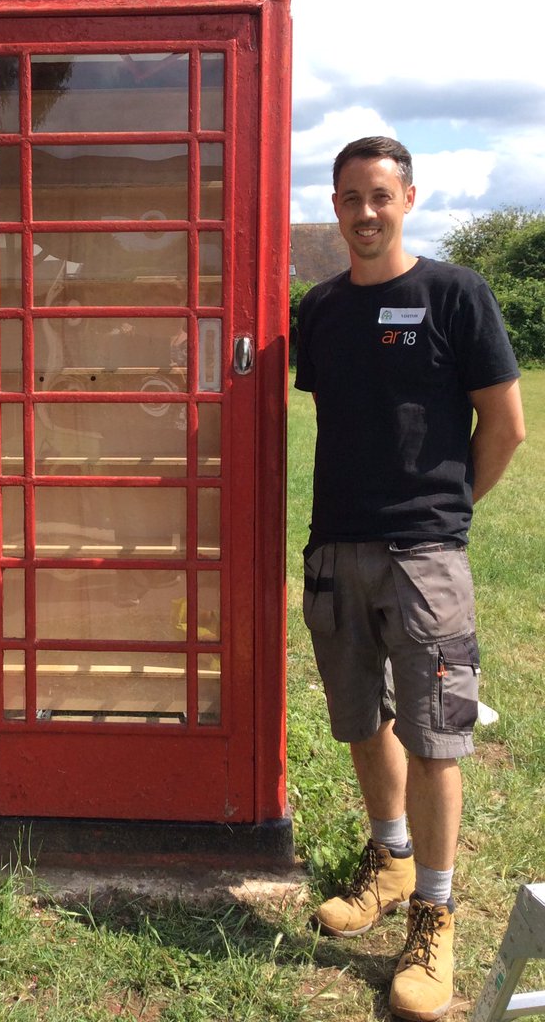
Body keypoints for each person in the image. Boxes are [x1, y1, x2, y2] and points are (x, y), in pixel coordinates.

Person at [296, 136, 525, 1021]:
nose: (363, 212)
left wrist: (448, 513)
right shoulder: (318, 310)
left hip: (424, 556)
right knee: (361, 720)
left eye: (379, 196)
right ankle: (388, 856)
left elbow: (503, 425)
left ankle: (434, 910)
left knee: (434, 739)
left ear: (409, 199)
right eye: (349, 196)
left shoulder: (455, 294)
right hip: (335, 549)